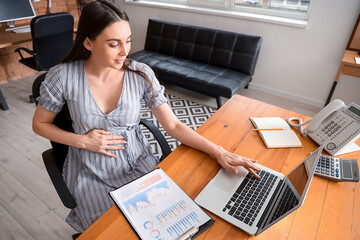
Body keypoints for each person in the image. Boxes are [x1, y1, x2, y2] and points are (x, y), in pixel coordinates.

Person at [32, 0, 260, 232]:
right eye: (114, 44)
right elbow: (40, 124)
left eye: (128, 40)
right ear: (89, 43)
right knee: (114, 230)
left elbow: (172, 124)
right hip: (90, 169)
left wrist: (219, 152)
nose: (125, 51)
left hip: (137, 161)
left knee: (175, 222)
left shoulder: (140, 74)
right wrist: (82, 140)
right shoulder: (62, 77)